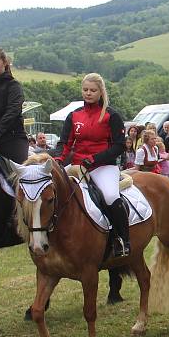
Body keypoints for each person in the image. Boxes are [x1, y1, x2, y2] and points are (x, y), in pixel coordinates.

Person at [55, 73, 129, 258]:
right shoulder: (73, 116)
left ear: (101, 92)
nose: (88, 93)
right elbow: (65, 143)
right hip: (77, 165)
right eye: (85, 90)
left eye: (92, 90)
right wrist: (57, 161)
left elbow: (119, 146)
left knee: (111, 196)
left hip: (103, 166)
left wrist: (96, 159)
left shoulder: (111, 115)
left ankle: (123, 240)